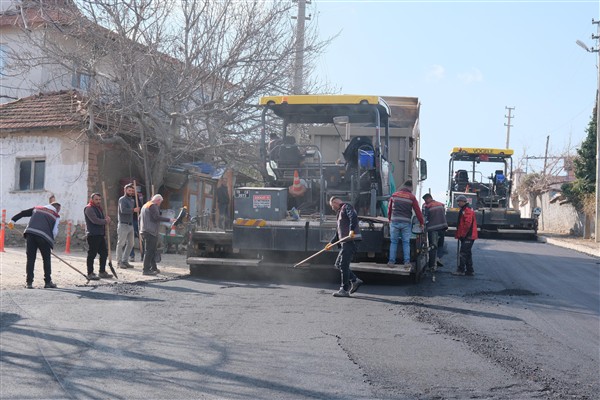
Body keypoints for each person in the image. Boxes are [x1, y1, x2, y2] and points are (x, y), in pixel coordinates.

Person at [9, 201, 61, 289]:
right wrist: (50, 242)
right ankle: (48, 282)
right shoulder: (56, 216)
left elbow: (23, 213)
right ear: (57, 209)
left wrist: (12, 221)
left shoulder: (37, 209)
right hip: (44, 237)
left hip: (30, 234)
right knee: (46, 259)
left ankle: (29, 283)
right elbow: (54, 231)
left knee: (30, 259)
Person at [325, 196, 363, 297]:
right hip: (345, 241)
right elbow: (338, 233)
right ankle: (355, 280)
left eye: (331, 205)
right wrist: (331, 243)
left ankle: (344, 290)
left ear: (335, 202)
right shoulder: (339, 214)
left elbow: (353, 217)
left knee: (343, 264)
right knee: (338, 264)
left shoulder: (347, 207)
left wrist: (351, 230)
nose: (332, 208)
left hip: (351, 241)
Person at [387, 180, 424, 269]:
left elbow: (389, 209)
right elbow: (417, 211)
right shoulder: (411, 197)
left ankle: (391, 262)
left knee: (394, 242)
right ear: (410, 187)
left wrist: (389, 219)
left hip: (394, 221)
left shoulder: (394, 195)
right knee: (406, 242)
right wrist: (421, 222)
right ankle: (406, 262)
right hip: (406, 222)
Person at [140, 194, 174, 275]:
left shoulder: (146, 205)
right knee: (149, 251)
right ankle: (146, 270)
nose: (160, 204)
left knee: (151, 250)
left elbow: (140, 217)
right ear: (158, 201)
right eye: (160, 202)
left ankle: (153, 267)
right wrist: (169, 219)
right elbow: (156, 217)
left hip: (145, 230)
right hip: (150, 231)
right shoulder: (153, 206)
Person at [84, 193, 113, 280]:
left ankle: (102, 271)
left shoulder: (98, 208)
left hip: (100, 234)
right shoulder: (89, 208)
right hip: (93, 235)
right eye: (96, 199)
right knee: (92, 254)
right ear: (92, 199)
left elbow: (101, 219)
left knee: (104, 253)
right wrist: (105, 221)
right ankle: (90, 273)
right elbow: (95, 220)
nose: (98, 201)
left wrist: (106, 220)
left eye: (99, 199)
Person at [453, 194, 478, 276]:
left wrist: (462, 235)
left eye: (459, 201)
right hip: (469, 235)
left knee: (463, 253)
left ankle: (461, 270)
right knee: (467, 253)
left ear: (463, 202)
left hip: (468, 236)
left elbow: (467, 224)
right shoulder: (465, 209)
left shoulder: (467, 210)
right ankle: (470, 270)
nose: (458, 203)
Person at [422, 193, 448, 270]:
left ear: (428, 198)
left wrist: (423, 227)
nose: (425, 201)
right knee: (440, 245)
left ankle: (431, 265)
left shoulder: (427, 206)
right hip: (442, 228)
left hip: (433, 229)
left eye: (425, 200)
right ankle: (438, 258)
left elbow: (424, 218)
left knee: (433, 247)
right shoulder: (441, 205)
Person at [116, 183, 139, 268]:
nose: (131, 192)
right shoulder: (122, 199)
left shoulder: (132, 200)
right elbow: (123, 210)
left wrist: (136, 211)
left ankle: (125, 261)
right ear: (125, 190)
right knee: (121, 243)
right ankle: (119, 262)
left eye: (132, 191)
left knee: (131, 244)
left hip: (130, 224)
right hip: (123, 224)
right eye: (129, 190)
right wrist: (133, 210)